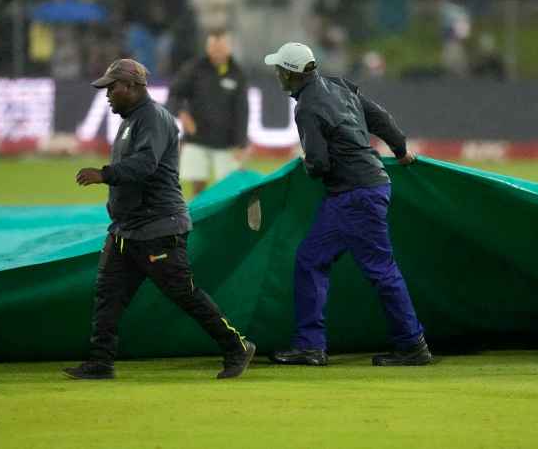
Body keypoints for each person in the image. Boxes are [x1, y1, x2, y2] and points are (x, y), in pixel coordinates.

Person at [64, 58, 255, 380]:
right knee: (108, 295)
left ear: (133, 87)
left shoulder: (152, 118)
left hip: (158, 228)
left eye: (113, 87)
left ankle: (237, 346)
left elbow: (145, 165)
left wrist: (104, 174)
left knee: (184, 293)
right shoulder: (131, 120)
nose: (107, 94)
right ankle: (100, 361)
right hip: (127, 230)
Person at [263, 42, 431, 367]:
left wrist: (307, 165)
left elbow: (319, 165)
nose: (278, 76)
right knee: (315, 260)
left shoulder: (307, 108)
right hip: (370, 186)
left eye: (280, 70)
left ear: (291, 74)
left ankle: (411, 345)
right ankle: (313, 345)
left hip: (352, 194)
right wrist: (400, 150)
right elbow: (380, 118)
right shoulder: (339, 85)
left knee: (375, 269)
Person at [167, 30, 249, 196]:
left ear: (229, 48)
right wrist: (182, 113)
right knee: (197, 186)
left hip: (226, 142)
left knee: (229, 189)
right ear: (207, 48)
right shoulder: (194, 69)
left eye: (221, 47)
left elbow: (242, 110)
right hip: (196, 138)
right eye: (214, 47)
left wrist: (241, 143)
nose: (217, 51)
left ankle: (225, 219)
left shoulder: (237, 73)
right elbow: (174, 94)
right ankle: (196, 219)